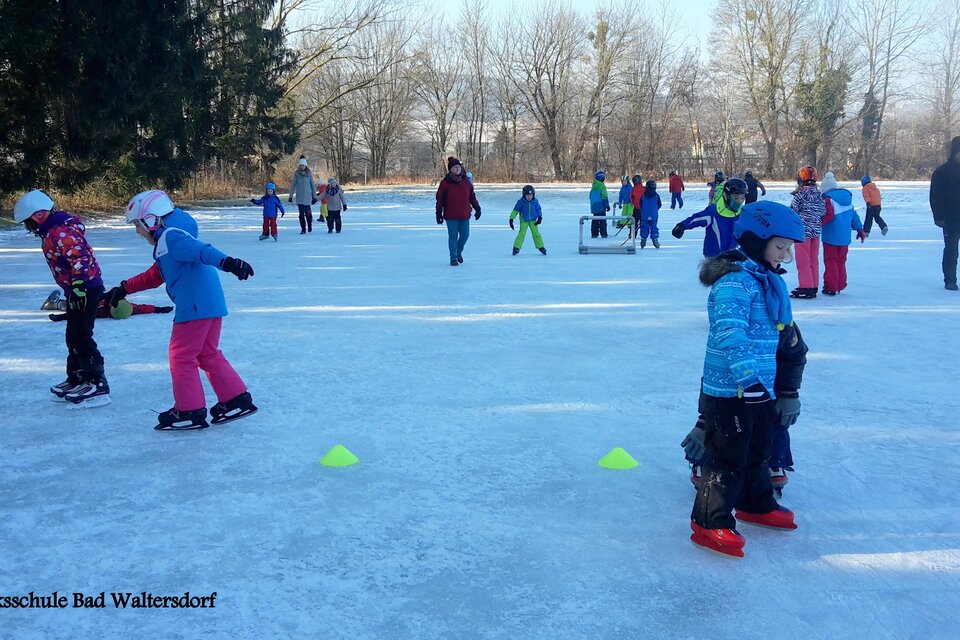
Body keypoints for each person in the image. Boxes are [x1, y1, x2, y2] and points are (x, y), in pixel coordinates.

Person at [689, 201, 805, 557]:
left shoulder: (765, 281)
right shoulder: (734, 284)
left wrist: (767, 386)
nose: (785, 255)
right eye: (780, 246)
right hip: (730, 388)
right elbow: (730, 334)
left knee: (758, 450)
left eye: (788, 248)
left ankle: (755, 504)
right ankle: (709, 522)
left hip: (759, 387)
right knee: (727, 456)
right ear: (756, 240)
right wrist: (748, 379)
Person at [107, 190, 258, 431]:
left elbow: (203, 251)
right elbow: (155, 275)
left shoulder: (172, 238)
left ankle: (189, 409)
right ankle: (235, 398)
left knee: (181, 357)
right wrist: (124, 288)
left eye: (137, 225)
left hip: (194, 307)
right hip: (210, 305)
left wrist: (228, 263)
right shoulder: (171, 241)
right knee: (207, 353)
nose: (137, 231)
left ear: (151, 220)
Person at [683, 320, 808, 498]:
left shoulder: (782, 322)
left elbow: (795, 354)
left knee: (774, 414)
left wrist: (789, 393)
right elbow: (713, 376)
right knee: (724, 418)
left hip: (769, 381)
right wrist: (705, 419)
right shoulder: (729, 321)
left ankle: (773, 459)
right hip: (729, 384)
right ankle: (706, 460)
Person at [13, 189, 110, 406]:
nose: (29, 227)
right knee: (72, 335)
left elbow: (80, 257)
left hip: (86, 289)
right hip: (76, 290)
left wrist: (79, 286)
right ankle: (77, 376)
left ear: (38, 215)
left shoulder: (61, 231)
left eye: (29, 222)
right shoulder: (52, 231)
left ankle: (96, 380)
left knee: (82, 335)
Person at [672, 177, 747, 257]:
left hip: (733, 257)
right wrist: (682, 226)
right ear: (726, 196)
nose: (739, 201)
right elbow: (697, 219)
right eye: (736, 198)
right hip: (714, 257)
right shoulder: (714, 212)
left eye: (742, 198)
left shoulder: (742, 214)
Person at [820, 172, 867, 296]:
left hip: (831, 237)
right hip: (845, 238)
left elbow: (827, 216)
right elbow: (854, 216)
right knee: (841, 261)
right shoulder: (847, 200)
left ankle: (831, 286)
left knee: (830, 261)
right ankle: (840, 285)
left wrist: (817, 224)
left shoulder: (828, 200)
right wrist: (860, 229)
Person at [435, 156, 481, 266]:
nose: (457, 169)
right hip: (451, 215)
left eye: (459, 167)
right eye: (455, 167)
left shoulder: (466, 181)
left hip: (464, 214)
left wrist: (477, 208)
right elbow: (440, 199)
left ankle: (458, 251)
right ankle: (453, 257)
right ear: (450, 169)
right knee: (453, 236)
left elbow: (472, 196)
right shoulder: (445, 183)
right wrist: (438, 213)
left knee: (465, 235)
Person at [790, 166, 826, 299]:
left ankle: (806, 286)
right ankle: (814, 284)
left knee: (803, 260)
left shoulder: (800, 195)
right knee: (813, 260)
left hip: (802, 232)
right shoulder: (819, 194)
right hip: (815, 231)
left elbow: (793, 211)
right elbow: (823, 211)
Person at [930, 136, 960, 290]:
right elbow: (935, 196)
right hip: (951, 219)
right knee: (951, 250)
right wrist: (939, 217)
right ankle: (950, 280)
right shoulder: (942, 172)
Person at [42, 289, 173, 322]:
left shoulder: (100, 311)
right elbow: (143, 308)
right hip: (93, 298)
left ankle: (53, 304)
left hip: (85, 304)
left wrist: (61, 317)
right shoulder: (130, 308)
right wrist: (158, 309)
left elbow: (79, 315)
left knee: (74, 305)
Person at [509, 185, 547, 255]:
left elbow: (538, 209)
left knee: (536, 234)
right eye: (527, 195)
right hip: (524, 220)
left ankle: (541, 247)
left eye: (531, 195)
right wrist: (511, 219)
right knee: (522, 234)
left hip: (533, 220)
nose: (529, 197)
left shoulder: (535, 201)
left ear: (533, 195)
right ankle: (516, 248)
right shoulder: (521, 202)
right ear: (524, 195)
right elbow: (515, 211)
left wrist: (540, 217)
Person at [289, 156, 317, 234]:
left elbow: (312, 185)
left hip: (307, 197)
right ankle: (303, 229)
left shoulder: (309, 174)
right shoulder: (296, 174)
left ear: (305, 166)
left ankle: (309, 225)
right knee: (301, 214)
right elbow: (293, 185)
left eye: (303, 165)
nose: (302, 167)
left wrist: (314, 196)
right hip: (300, 197)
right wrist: (290, 196)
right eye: (300, 165)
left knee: (308, 213)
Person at [637, 179, 662, 249]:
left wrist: (643, 211)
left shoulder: (643, 195)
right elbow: (659, 204)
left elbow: (640, 204)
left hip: (644, 215)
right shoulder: (656, 196)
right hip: (653, 215)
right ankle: (655, 239)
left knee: (644, 227)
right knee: (654, 227)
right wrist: (655, 210)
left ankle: (643, 239)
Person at [589, 170, 610, 238]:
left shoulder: (594, 185)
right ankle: (603, 234)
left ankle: (594, 233)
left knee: (595, 220)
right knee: (602, 220)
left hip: (594, 206)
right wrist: (607, 205)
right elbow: (604, 196)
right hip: (601, 205)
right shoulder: (602, 186)